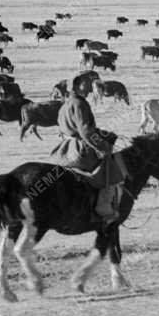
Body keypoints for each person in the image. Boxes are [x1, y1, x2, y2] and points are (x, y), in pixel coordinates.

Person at [52, 71, 124, 224]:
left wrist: (103, 133)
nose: (91, 88)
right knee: (111, 170)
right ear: (77, 84)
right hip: (80, 151)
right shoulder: (79, 104)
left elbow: (71, 129)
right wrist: (104, 146)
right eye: (87, 84)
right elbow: (86, 132)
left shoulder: (65, 104)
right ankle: (104, 208)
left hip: (65, 149)